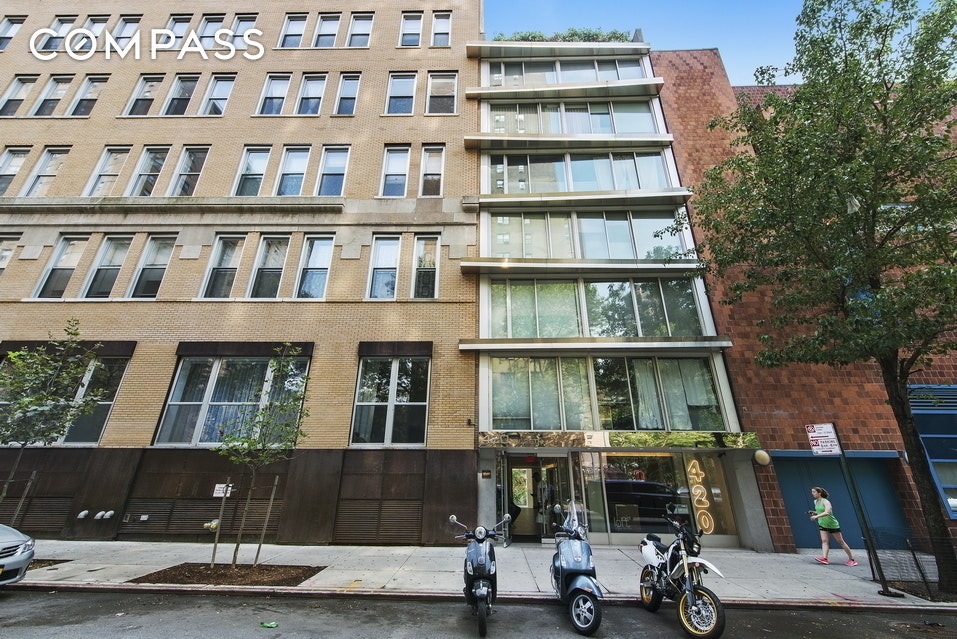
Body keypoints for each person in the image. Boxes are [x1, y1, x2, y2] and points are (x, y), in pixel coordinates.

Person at [808, 486, 858, 566]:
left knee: (841, 541)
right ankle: (825, 558)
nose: (812, 493)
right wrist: (814, 512)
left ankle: (852, 559)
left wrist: (816, 517)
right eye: (812, 492)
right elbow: (820, 511)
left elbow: (827, 512)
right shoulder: (815, 502)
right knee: (824, 541)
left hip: (832, 524)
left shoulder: (826, 502)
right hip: (822, 524)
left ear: (819, 493)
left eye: (814, 492)